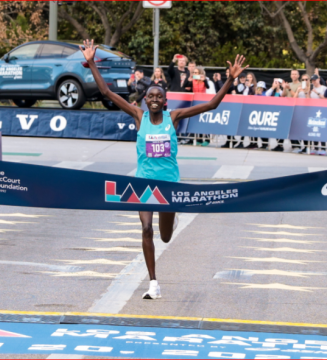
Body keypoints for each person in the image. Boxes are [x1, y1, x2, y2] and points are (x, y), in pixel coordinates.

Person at [80, 39, 248, 300]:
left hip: (168, 184)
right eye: (151, 97)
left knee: (166, 236)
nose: (154, 100)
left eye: (159, 97)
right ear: (145, 100)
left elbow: (211, 104)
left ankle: (171, 220)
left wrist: (230, 81)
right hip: (143, 183)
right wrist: (91, 63)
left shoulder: (174, 118)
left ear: (165, 101)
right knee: (146, 229)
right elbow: (108, 94)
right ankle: (153, 283)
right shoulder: (138, 116)